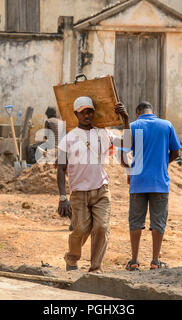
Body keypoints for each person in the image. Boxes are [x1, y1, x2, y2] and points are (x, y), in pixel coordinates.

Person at [57, 96, 129, 272]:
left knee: (102, 227)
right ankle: (72, 259)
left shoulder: (103, 132)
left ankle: (95, 268)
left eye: (90, 111)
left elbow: (127, 143)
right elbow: (60, 169)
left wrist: (126, 120)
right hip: (79, 193)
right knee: (81, 229)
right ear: (76, 114)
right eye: (83, 112)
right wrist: (62, 197)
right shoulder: (68, 139)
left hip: (101, 189)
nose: (87, 115)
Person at [123, 101, 181, 271]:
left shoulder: (133, 126)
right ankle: (155, 261)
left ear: (137, 112)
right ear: (152, 111)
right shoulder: (166, 125)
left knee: (135, 221)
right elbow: (176, 152)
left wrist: (129, 171)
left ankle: (134, 261)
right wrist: (164, 162)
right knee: (158, 222)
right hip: (159, 182)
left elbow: (124, 151)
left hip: (138, 181)